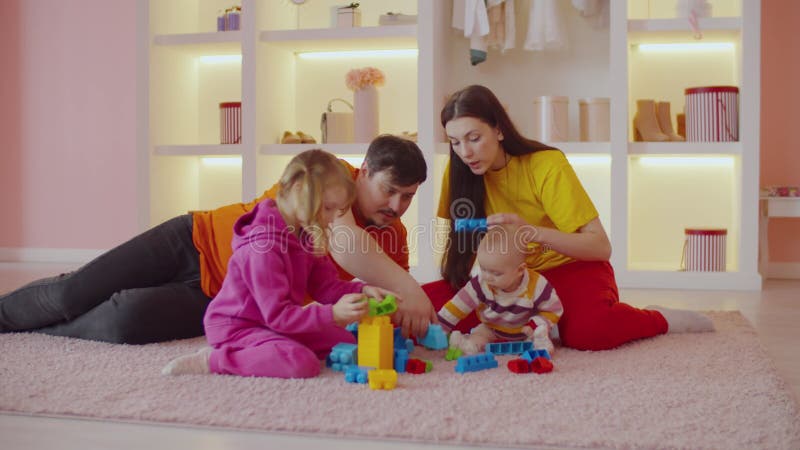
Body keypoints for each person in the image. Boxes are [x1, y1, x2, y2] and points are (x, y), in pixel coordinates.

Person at [0, 135, 435, 344]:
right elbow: (342, 244)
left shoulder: (394, 238)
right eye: (389, 190)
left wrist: (390, 305)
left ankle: (43, 332)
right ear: (363, 172)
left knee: (123, 320)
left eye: (408, 196)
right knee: (71, 293)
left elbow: (349, 293)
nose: (397, 205)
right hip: (194, 240)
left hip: (226, 300)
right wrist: (408, 288)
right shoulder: (331, 174)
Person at [430, 84, 713, 351]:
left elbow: (600, 246)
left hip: (570, 268)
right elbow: (461, 250)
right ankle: (539, 322)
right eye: (455, 142)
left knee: (590, 332)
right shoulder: (459, 173)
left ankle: (658, 318)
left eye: (474, 138)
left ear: (499, 130)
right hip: (506, 280)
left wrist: (534, 232)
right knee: (419, 308)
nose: (465, 152)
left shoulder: (546, 165)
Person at [162, 149, 393, 378]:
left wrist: (362, 289)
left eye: (337, 210)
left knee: (345, 341)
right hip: (238, 326)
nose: (333, 218)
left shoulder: (307, 233)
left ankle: (270, 346)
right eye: (327, 208)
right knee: (301, 363)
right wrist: (332, 314)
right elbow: (279, 316)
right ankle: (214, 360)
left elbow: (326, 287)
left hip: (274, 323)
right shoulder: (263, 247)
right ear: (298, 191)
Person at [437, 224, 562, 355]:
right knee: (478, 337)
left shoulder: (536, 285)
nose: (488, 277)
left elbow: (553, 310)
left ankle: (542, 344)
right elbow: (458, 306)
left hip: (525, 330)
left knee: (536, 340)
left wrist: (535, 325)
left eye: (496, 273)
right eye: (483, 269)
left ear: (519, 270)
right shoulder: (480, 283)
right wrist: (439, 329)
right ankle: (468, 344)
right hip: (491, 328)